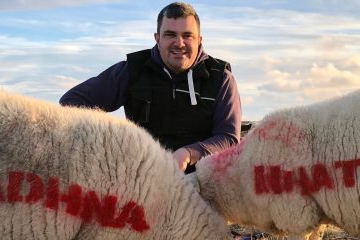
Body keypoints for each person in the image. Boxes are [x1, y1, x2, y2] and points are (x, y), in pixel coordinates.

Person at [59, 2, 241, 173]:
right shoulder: (132, 71)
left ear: (199, 40)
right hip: (143, 179)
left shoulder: (221, 78)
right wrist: (111, 141)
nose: (179, 43)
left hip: (202, 179)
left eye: (187, 35)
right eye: (170, 34)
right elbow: (72, 102)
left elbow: (229, 138)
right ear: (157, 38)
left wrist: (188, 154)